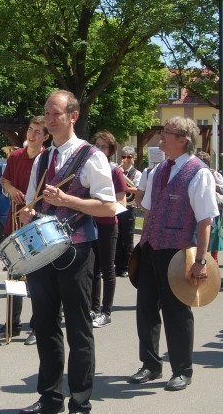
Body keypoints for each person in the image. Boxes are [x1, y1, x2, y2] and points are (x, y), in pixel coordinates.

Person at [18, 90, 117, 414]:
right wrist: (27, 214)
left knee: (78, 329)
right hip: (43, 252)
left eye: (55, 114)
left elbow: (106, 207)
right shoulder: (43, 158)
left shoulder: (92, 157)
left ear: (72, 116)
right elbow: (32, 202)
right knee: (44, 327)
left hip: (77, 252)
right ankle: (49, 397)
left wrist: (68, 201)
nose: (48, 120)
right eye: (46, 114)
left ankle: (80, 401)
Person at [127, 116, 218, 392]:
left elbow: (205, 221)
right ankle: (150, 364)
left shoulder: (199, 172)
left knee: (177, 312)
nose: (162, 136)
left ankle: (182, 370)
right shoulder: (157, 171)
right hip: (151, 247)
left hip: (178, 253)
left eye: (168, 133)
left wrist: (201, 261)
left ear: (183, 140)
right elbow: (148, 207)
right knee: (145, 310)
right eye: (163, 131)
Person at [0, 116, 49, 345]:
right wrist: (11, 188)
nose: (32, 134)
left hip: (36, 224)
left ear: (45, 136)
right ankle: (12, 323)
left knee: (38, 279)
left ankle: (38, 324)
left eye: (37, 132)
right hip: (14, 222)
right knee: (14, 275)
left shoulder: (47, 159)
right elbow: (4, 181)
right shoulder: (15, 156)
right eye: (30, 129)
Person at [90, 131, 128, 329]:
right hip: (90, 224)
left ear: (111, 150)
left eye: (104, 146)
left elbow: (122, 201)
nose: (99, 149)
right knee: (92, 269)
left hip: (107, 225)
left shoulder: (115, 172)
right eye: (97, 145)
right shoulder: (89, 168)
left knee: (107, 268)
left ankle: (106, 311)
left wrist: (104, 207)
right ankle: (93, 308)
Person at [196, 151, 223, 262]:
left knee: (214, 234)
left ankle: (214, 258)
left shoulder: (213, 173)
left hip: (211, 207)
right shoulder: (193, 172)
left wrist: (212, 185)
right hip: (197, 206)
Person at [115, 146, 142, 278]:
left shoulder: (137, 174)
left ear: (133, 158)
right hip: (118, 207)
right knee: (118, 237)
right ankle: (118, 266)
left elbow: (137, 190)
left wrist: (123, 185)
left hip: (130, 208)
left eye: (129, 157)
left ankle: (128, 267)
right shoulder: (118, 171)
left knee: (128, 239)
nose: (125, 160)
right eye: (123, 157)